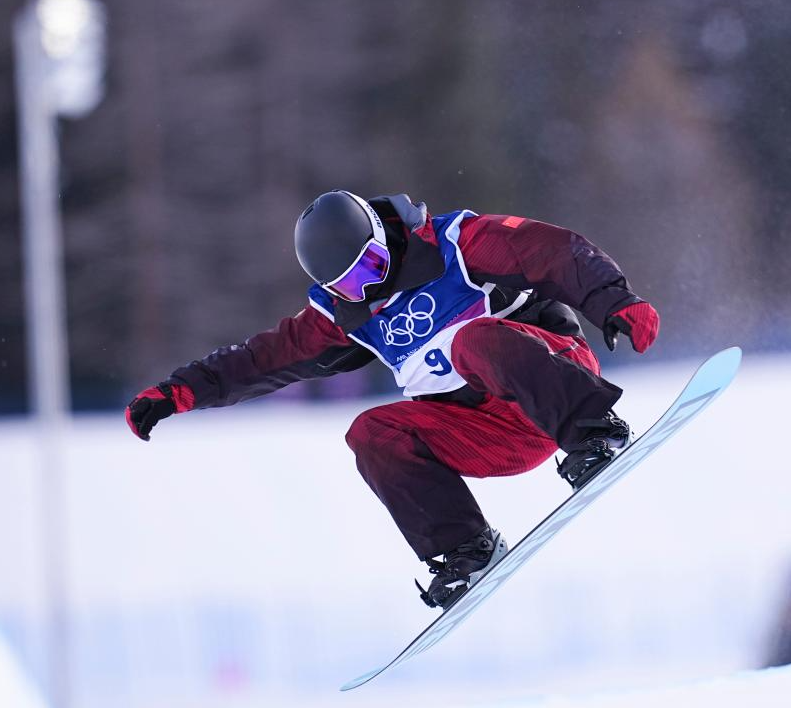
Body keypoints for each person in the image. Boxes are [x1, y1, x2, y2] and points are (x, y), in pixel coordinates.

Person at [125, 191, 659, 609]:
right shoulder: (346, 314)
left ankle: (597, 433)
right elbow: (263, 358)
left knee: (472, 341)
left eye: (371, 266)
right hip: (492, 434)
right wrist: (180, 392)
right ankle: (466, 548)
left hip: (551, 382)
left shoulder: (456, 243)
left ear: (384, 236)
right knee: (371, 432)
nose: (368, 287)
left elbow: (554, 251)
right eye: (350, 285)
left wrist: (615, 301)